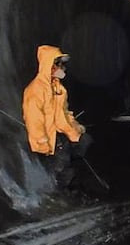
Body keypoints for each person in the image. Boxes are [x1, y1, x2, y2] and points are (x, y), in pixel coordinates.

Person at [22, 45, 91, 187]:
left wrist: (76, 129)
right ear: (50, 66)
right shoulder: (35, 90)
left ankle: (76, 185)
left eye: (62, 65)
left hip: (61, 136)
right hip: (49, 140)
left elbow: (64, 113)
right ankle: (56, 192)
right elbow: (34, 120)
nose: (62, 68)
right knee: (60, 167)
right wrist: (42, 143)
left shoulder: (59, 89)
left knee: (86, 143)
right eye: (59, 64)